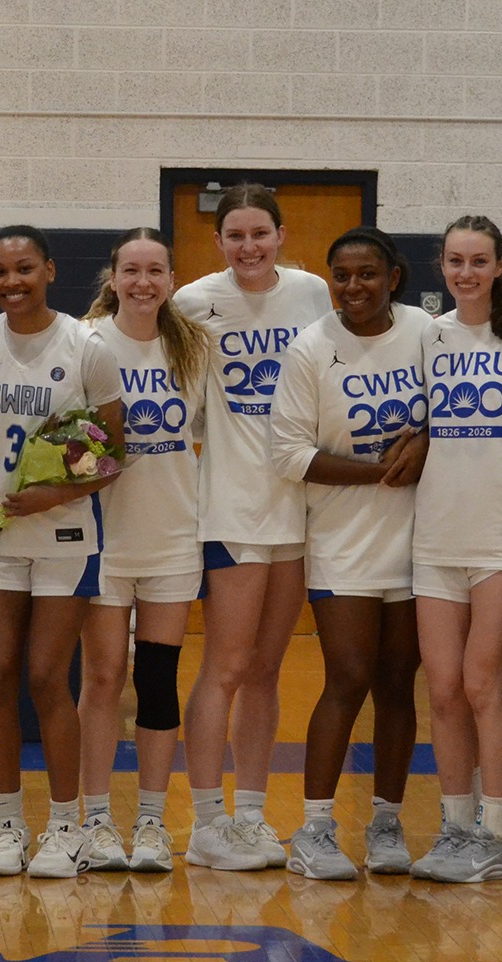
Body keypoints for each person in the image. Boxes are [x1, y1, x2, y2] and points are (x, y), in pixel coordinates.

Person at [173, 182, 333, 871]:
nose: (248, 247)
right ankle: (206, 821)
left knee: (268, 670)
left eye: (259, 234)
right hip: (232, 508)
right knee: (227, 665)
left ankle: (252, 816)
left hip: (298, 508)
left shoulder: (313, 294)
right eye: (235, 236)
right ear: (218, 242)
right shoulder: (192, 303)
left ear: (280, 235)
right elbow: (181, 404)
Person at [270, 226, 428, 880]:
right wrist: (381, 472)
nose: (354, 286)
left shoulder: (426, 332)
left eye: (367, 274)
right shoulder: (310, 348)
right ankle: (313, 830)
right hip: (342, 540)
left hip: (419, 541)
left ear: (393, 277)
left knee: (398, 683)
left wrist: (427, 443)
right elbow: (289, 454)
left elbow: (454, 415)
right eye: (342, 276)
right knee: (349, 676)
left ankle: (387, 822)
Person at [408, 216, 502, 883]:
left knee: (481, 682)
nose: (465, 273)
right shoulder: (429, 335)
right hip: (436, 535)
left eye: (478, 261)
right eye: (455, 261)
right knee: (443, 689)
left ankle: (497, 834)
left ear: (500, 264)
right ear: (441, 266)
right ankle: (455, 828)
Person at [0, 225, 123, 878]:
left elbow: (113, 456)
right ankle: (9, 826)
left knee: (44, 678)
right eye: (0, 272)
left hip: (65, 537)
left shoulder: (88, 348)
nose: (13, 282)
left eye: (25, 268)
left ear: (50, 271)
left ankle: (66, 827)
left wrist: (54, 492)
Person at [76, 228, 210, 873]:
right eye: (131, 270)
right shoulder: (86, 342)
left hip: (173, 539)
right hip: (104, 541)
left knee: (157, 679)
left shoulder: (194, 347)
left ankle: (152, 821)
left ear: (172, 280)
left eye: (155, 271)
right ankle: (97, 820)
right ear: (113, 277)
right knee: (102, 678)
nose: (143, 282)